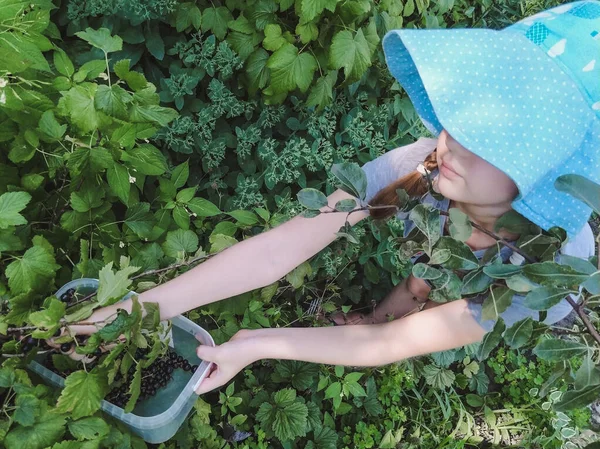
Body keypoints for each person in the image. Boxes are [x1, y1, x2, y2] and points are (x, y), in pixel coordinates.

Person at [74, 1, 600, 394]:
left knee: (445, 289)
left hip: (505, 261)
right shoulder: (422, 166)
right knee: (427, 264)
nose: (450, 140)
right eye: (460, 117)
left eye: (491, 141)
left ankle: (407, 297)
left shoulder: (537, 278)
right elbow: (279, 249)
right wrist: (136, 309)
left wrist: (261, 345)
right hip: (456, 232)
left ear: (542, 175)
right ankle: (394, 300)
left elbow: (391, 347)